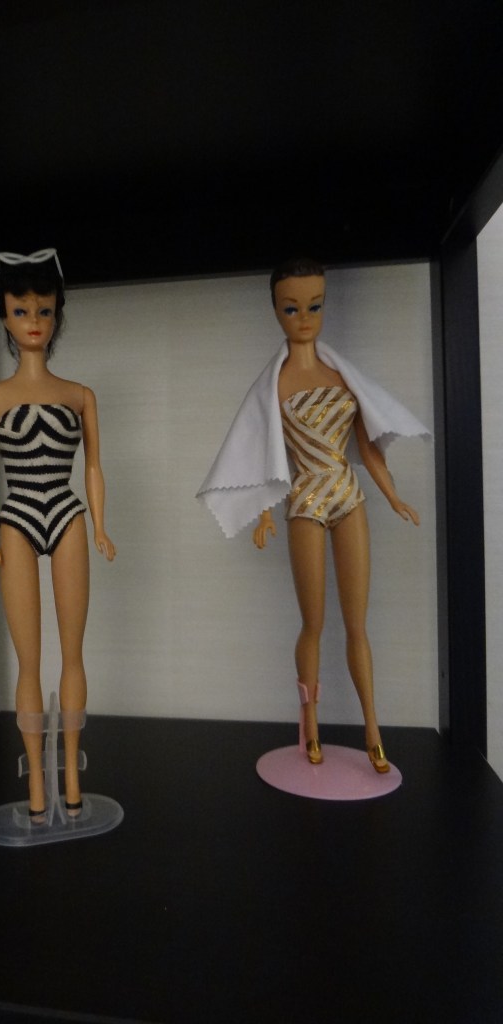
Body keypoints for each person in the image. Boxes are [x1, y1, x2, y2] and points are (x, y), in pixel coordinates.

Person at [197, 258, 430, 772]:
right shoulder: (275, 385)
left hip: (348, 494)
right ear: (276, 311)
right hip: (304, 500)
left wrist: (392, 495)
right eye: (291, 308)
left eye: (315, 306)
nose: (304, 318)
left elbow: (367, 446)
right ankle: (311, 722)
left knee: (357, 625)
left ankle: (373, 728)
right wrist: (264, 513)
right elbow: (265, 453)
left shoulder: (340, 375)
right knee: (313, 623)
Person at [0, 248, 115, 819]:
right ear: (3, 315)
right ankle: (36, 782)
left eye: (45, 310)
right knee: (27, 660)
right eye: (21, 310)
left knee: (73, 653)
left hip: (67, 512)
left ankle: (72, 777)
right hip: (17, 520)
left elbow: (94, 467)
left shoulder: (79, 395)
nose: (34, 321)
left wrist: (100, 524)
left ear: (57, 314)